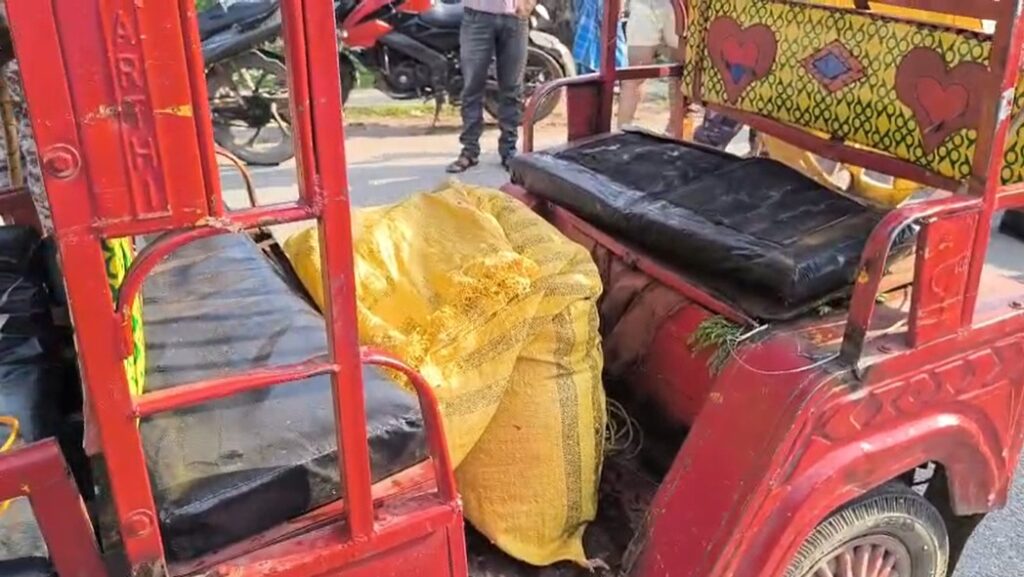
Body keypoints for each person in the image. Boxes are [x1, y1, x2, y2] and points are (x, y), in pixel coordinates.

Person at [447, 0, 536, 173]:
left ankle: (509, 151)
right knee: (472, 87)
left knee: (512, 89)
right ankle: (469, 151)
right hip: (477, 16)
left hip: (515, 17)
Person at [617, 0, 684, 138]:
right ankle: (621, 132)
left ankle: (675, 133)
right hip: (645, 5)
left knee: (681, 73)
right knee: (634, 74)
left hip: (680, 7)